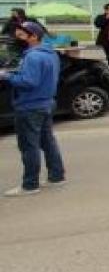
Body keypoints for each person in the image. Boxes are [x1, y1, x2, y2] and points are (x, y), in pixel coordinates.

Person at [1, 21, 66, 197]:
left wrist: (6, 76)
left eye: (21, 35)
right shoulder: (50, 53)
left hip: (30, 106)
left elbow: (28, 82)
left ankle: (30, 185)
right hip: (45, 103)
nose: (16, 38)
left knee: (29, 146)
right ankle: (57, 176)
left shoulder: (33, 57)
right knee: (47, 142)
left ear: (34, 36)